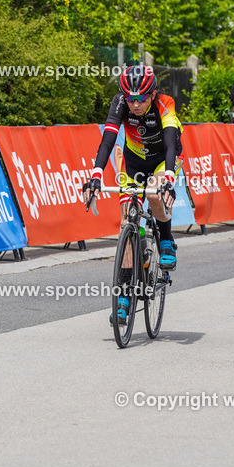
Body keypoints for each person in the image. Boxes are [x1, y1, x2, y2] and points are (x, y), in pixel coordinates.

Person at [82, 65, 181, 325]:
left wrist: (169, 178)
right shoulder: (120, 103)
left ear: (153, 94)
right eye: (130, 98)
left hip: (163, 160)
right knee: (127, 223)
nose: (135, 104)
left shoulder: (165, 103)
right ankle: (124, 295)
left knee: (154, 195)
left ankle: (167, 239)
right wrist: (95, 174)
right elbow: (108, 140)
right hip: (133, 162)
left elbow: (171, 143)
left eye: (140, 98)